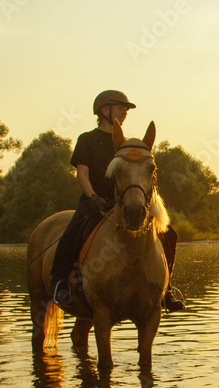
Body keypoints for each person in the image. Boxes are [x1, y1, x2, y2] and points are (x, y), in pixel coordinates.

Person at [50, 89, 185, 311]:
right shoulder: (87, 139)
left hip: (125, 201)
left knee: (170, 234)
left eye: (126, 109)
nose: (125, 112)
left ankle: (166, 289)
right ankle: (59, 284)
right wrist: (92, 196)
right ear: (105, 110)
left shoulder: (125, 144)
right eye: (121, 108)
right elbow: (82, 174)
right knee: (71, 232)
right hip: (95, 200)